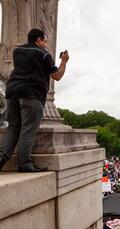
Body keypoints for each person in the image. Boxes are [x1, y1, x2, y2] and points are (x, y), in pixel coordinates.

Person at [0, 29, 69, 172]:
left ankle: (2, 157)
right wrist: (64, 61)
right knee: (28, 129)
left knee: (13, 127)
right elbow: (57, 76)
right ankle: (24, 163)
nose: (45, 44)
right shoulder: (43, 54)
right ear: (38, 40)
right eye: (45, 41)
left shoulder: (17, 52)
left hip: (12, 93)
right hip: (31, 95)